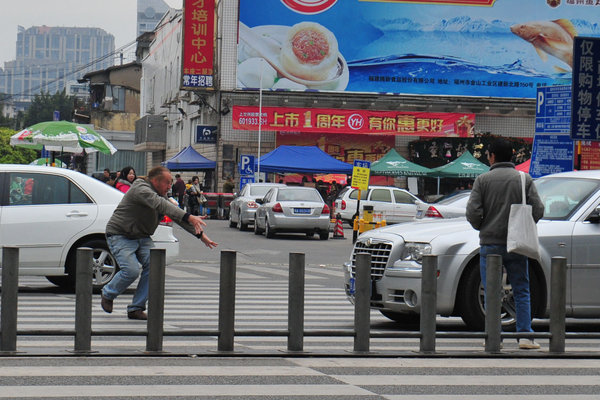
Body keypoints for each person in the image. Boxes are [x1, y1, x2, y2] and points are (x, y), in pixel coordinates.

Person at [100, 166, 217, 320]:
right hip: (120, 234)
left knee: (155, 266)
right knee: (131, 270)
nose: (170, 186)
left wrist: (201, 235)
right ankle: (108, 294)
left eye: (171, 183)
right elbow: (160, 204)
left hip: (142, 236)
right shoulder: (141, 189)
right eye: (167, 183)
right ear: (155, 181)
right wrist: (189, 216)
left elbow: (175, 215)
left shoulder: (161, 195)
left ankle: (136, 308)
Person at [466, 138, 544, 350]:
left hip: (490, 243)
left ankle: (493, 336)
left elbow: (472, 212)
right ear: (512, 155)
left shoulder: (482, 180)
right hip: (516, 243)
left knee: (491, 291)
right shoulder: (523, 179)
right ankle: (525, 336)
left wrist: (484, 225)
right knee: (521, 289)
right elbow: (538, 210)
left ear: (491, 156)